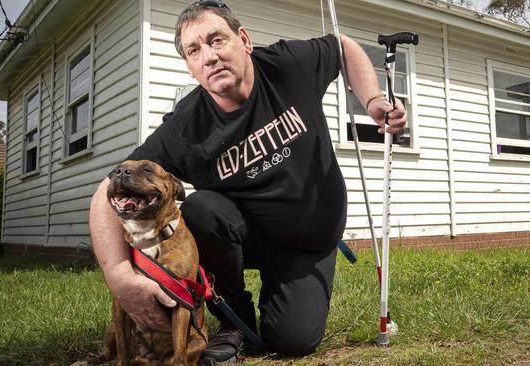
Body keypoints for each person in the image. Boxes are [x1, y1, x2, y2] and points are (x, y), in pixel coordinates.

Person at [89, 0, 406, 363]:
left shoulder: (286, 66)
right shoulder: (185, 126)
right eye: (194, 50)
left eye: (217, 40)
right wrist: (119, 276)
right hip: (243, 236)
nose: (209, 56)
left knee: (292, 341)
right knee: (201, 209)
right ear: (191, 68)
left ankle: (282, 299)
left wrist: (373, 101)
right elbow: (106, 190)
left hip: (309, 242)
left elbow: (343, 46)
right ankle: (233, 320)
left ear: (244, 39)